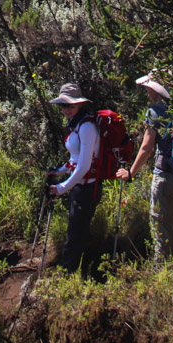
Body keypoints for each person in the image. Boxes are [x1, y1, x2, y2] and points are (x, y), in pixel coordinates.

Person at [116, 72, 173, 261]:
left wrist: (131, 173)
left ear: (157, 89)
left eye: (148, 88)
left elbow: (146, 147)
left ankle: (161, 272)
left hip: (166, 179)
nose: (147, 91)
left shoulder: (155, 111)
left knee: (161, 234)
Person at [47, 82, 102, 272]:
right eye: (63, 105)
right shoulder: (77, 124)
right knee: (77, 229)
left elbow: (84, 166)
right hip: (79, 186)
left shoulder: (86, 127)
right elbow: (75, 159)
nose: (66, 109)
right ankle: (83, 268)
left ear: (79, 104)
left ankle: (68, 274)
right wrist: (59, 171)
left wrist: (62, 187)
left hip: (87, 188)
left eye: (70, 105)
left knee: (75, 234)